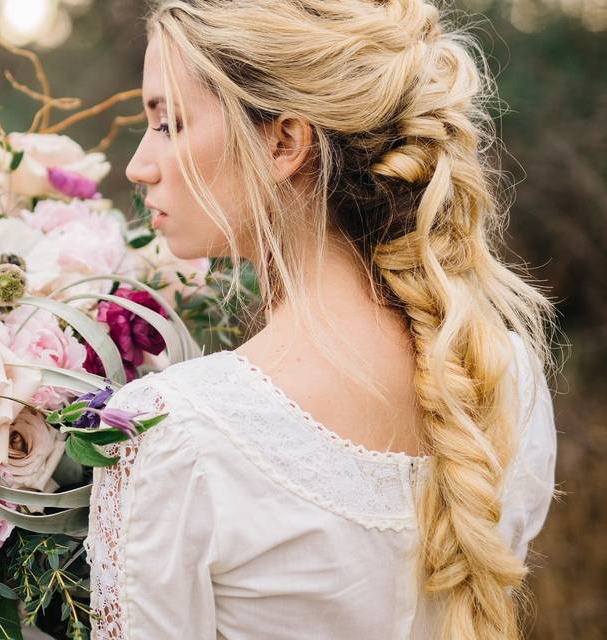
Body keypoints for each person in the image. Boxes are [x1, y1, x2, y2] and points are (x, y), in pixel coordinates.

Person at [84, 1, 560, 638]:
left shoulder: (173, 435)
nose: (138, 165)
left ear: (284, 142)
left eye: (169, 123)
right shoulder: (505, 377)